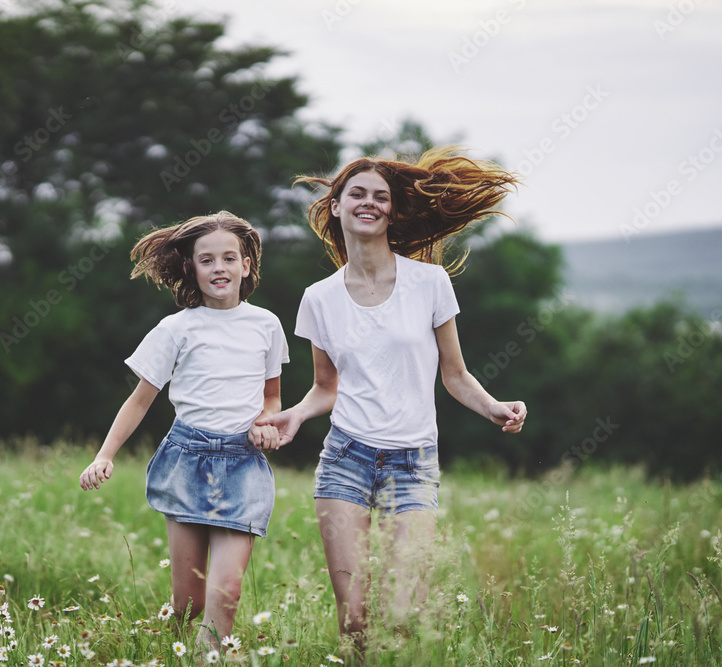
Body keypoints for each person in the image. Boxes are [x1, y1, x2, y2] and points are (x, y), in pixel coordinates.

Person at [257, 146, 527, 646]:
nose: (370, 203)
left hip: (413, 461)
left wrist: (494, 407)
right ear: (335, 206)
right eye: (356, 194)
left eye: (380, 197)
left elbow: (456, 375)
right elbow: (325, 387)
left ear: (392, 210)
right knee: (354, 622)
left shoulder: (430, 282)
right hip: (344, 460)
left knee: (405, 610)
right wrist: (294, 415)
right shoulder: (319, 297)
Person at [79, 211, 288, 650]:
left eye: (229, 258)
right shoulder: (176, 328)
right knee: (187, 603)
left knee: (225, 595)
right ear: (191, 267)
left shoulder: (266, 325)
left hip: (243, 464)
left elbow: (272, 396)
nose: (219, 268)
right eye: (207, 260)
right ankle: (174, 651)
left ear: (246, 264)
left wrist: (266, 423)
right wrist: (105, 454)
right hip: (187, 460)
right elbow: (140, 400)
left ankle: (209, 658)